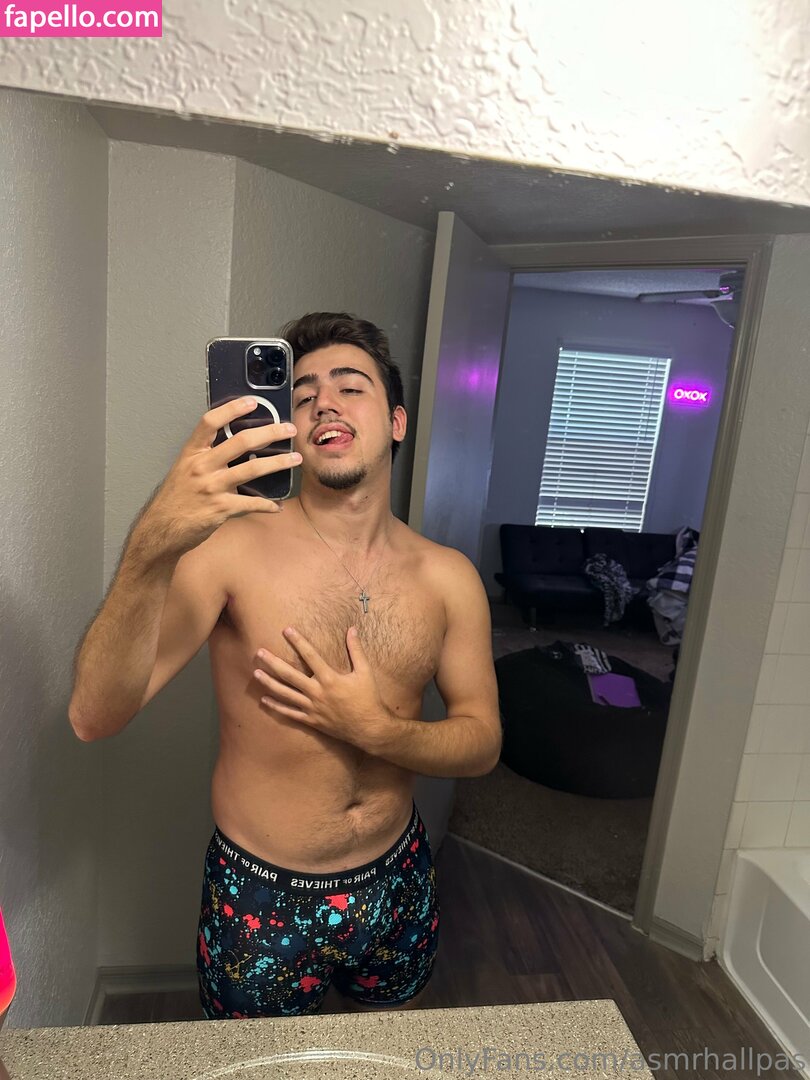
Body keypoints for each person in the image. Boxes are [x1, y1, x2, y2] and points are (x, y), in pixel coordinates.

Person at [69, 312, 501, 1019]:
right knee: (255, 1065)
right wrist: (152, 545)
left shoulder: (449, 578)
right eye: (302, 396)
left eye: (350, 386)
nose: (324, 402)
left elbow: (482, 743)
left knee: (383, 1049)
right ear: (287, 430)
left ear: (396, 421)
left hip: (399, 874)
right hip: (262, 894)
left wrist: (376, 730)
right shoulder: (229, 551)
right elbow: (94, 716)